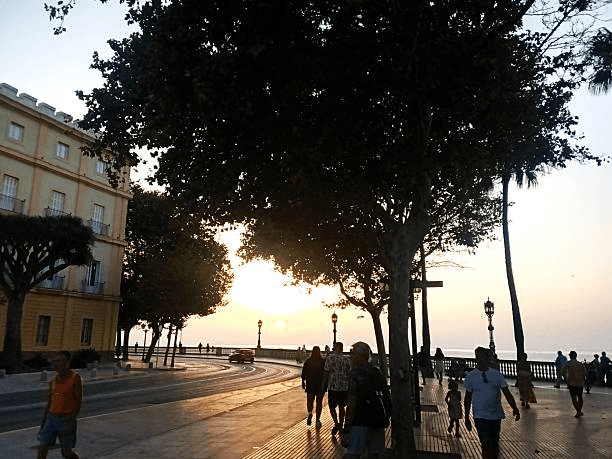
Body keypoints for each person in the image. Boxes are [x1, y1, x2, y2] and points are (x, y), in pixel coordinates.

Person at [464, 347, 520, 459]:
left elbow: (507, 393)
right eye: (477, 356)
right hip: (480, 416)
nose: (479, 359)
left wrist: (515, 408)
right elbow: (467, 398)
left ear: (487, 358)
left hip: (496, 415)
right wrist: (466, 417)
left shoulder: (496, 375)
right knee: (485, 443)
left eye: (482, 356)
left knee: (494, 443)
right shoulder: (471, 376)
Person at [342, 341, 389, 459]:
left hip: (360, 422)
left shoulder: (355, 375)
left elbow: (351, 404)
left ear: (359, 356)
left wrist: (346, 429)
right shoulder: (377, 373)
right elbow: (386, 397)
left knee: (353, 455)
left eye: (352, 353)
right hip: (377, 422)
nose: (350, 356)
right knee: (374, 455)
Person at [37, 351, 83, 459]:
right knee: (42, 448)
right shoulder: (53, 381)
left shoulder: (75, 378)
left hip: (66, 419)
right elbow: (50, 402)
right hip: (51, 418)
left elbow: (78, 401)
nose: (55, 364)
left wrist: (71, 420)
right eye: (54, 361)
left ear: (67, 363)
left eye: (58, 361)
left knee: (66, 453)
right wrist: (44, 421)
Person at [322, 341, 351, 436]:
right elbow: (350, 374)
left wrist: (323, 385)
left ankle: (336, 424)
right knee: (342, 407)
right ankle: (341, 425)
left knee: (332, 407)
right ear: (342, 348)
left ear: (335, 348)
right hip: (344, 387)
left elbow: (326, 373)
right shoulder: (347, 360)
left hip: (333, 386)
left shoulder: (329, 359)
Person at [301, 345, 326, 428]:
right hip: (320, 385)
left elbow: (304, 373)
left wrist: (303, 382)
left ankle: (310, 413)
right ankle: (318, 420)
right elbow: (325, 373)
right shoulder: (323, 361)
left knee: (310, 400)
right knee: (319, 403)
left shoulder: (308, 361)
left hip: (310, 384)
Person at [562, 350, 587, 417]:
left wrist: (566, 380)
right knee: (580, 397)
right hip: (580, 383)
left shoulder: (568, 364)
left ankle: (578, 411)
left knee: (573, 397)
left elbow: (563, 372)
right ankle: (579, 411)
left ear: (570, 356)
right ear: (576, 356)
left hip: (572, 383)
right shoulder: (580, 364)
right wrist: (584, 380)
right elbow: (585, 373)